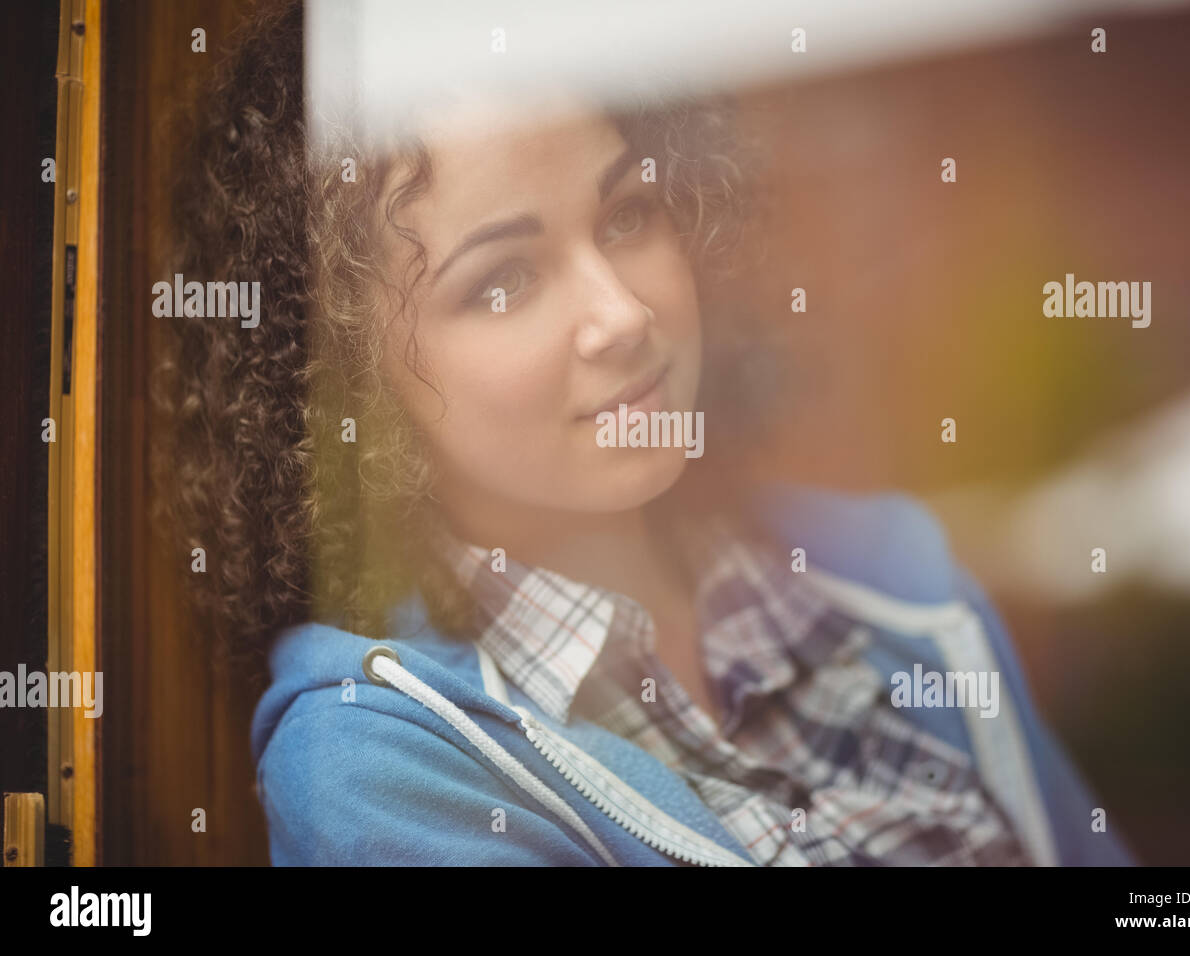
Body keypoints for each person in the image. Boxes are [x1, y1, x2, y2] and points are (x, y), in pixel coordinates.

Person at [159, 0, 1135, 866]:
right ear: (348, 380)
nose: (622, 313)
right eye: (502, 281)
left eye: (627, 215)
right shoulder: (379, 765)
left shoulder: (895, 575)